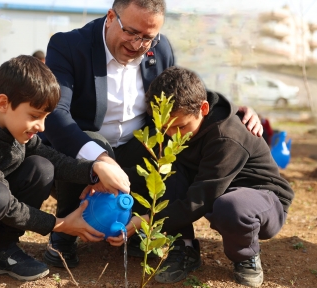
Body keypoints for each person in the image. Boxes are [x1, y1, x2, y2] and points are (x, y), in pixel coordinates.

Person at [41, 0, 264, 268]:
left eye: (148, 37)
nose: (138, 45)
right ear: (111, 17)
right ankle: (64, 232)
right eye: (131, 33)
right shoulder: (68, 46)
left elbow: (181, 92)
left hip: (141, 142)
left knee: (170, 152)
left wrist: (228, 110)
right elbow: (57, 115)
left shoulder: (161, 48)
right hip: (86, 143)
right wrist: (101, 159)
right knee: (89, 143)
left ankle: (178, 238)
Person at [0, 55, 130, 288]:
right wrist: (59, 224)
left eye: (45, 117)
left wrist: (95, 169)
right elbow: (5, 204)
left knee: (42, 167)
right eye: (35, 116)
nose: (41, 127)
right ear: (3, 103)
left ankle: (1, 252)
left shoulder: (15, 131)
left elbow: (55, 160)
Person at [106, 67, 294, 287]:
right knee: (166, 168)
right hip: (214, 192)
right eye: (164, 127)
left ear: (204, 108)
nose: (172, 134)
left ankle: (245, 255)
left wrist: (146, 221)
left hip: (261, 202)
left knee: (231, 206)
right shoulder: (179, 120)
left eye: (180, 127)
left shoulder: (227, 135)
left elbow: (202, 198)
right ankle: (184, 247)